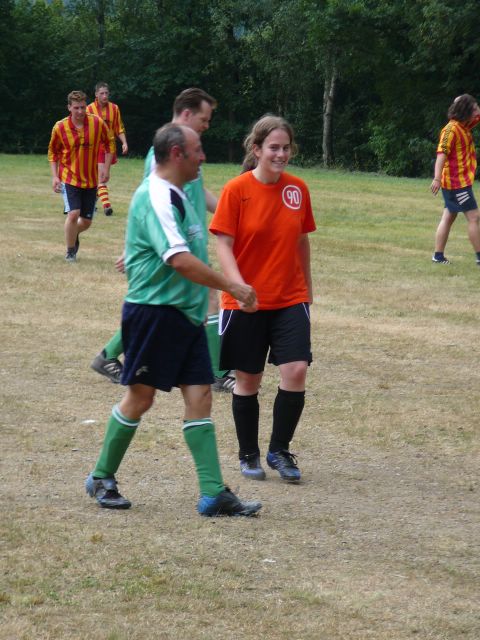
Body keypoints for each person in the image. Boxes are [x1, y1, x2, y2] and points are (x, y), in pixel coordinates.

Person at [85, 123, 262, 517]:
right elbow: (179, 260)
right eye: (198, 150)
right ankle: (101, 476)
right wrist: (232, 286)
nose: (203, 157)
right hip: (154, 315)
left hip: (185, 317)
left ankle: (213, 493)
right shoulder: (156, 196)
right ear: (178, 154)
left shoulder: (181, 193)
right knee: (140, 398)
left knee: (200, 397)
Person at [91, 88, 235, 392]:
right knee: (201, 299)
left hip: (186, 241)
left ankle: (109, 355)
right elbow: (148, 204)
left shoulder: (189, 151)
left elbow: (199, 191)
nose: (207, 125)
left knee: (184, 304)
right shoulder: (164, 154)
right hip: (173, 245)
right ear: (186, 114)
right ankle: (218, 372)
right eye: (204, 118)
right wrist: (133, 248)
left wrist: (232, 213)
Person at [209, 115, 316, 483]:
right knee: (248, 379)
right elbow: (223, 244)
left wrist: (308, 290)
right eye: (273, 147)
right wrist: (238, 287)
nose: (281, 154)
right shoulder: (236, 190)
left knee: (296, 370)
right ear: (256, 150)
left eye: (286, 148)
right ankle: (248, 453)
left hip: (290, 297)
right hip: (245, 301)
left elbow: (301, 240)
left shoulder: (297, 189)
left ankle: (279, 451)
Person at [48, 90, 114, 262]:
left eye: (83, 107)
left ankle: (72, 233)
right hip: (69, 178)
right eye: (76, 108)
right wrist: (55, 176)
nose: (80, 111)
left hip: (91, 180)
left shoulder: (97, 123)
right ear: (69, 107)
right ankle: (70, 252)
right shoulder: (60, 127)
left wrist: (106, 169)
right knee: (73, 213)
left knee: (86, 222)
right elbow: (53, 153)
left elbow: (110, 143)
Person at [431, 94, 480, 265]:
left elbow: (478, 116)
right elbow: (441, 155)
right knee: (474, 217)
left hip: (459, 183)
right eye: (474, 108)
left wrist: (461, 101)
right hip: (456, 184)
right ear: (466, 111)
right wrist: (437, 178)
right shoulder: (450, 130)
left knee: (448, 216)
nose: (477, 111)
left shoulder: (465, 125)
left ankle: (438, 256)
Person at [87, 82, 128, 216]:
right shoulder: (89, 109)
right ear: (96, 94)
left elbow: (118, 127)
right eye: (102, 93)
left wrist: (124, 142)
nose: (105, 96)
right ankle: (107, 206)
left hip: (109, 147)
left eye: (106, 93)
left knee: (102, 177)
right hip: (95, 147)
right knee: (102, 177)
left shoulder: (114, 108)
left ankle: (90, 204)